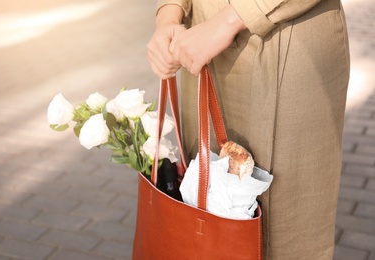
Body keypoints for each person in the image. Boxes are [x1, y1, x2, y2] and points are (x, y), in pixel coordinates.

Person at [147, 0, 350, 259]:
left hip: (283, 37)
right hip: (199, 44)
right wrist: (168, 15)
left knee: (285, 236)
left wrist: (229, 21)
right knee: (203, 208)